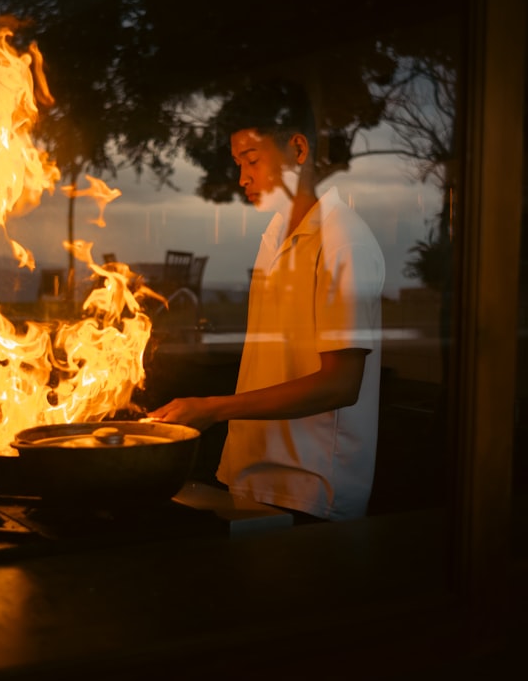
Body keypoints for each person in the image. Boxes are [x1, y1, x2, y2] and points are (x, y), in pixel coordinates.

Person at [149, 81, 386, 521]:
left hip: (312, 492)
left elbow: (341, 383)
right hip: (252, 477)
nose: (241, 178)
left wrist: (213, 407)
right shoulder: (275, 236)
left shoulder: (342, 241)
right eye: (237, 162)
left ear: (298, 148)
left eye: (251, 160)